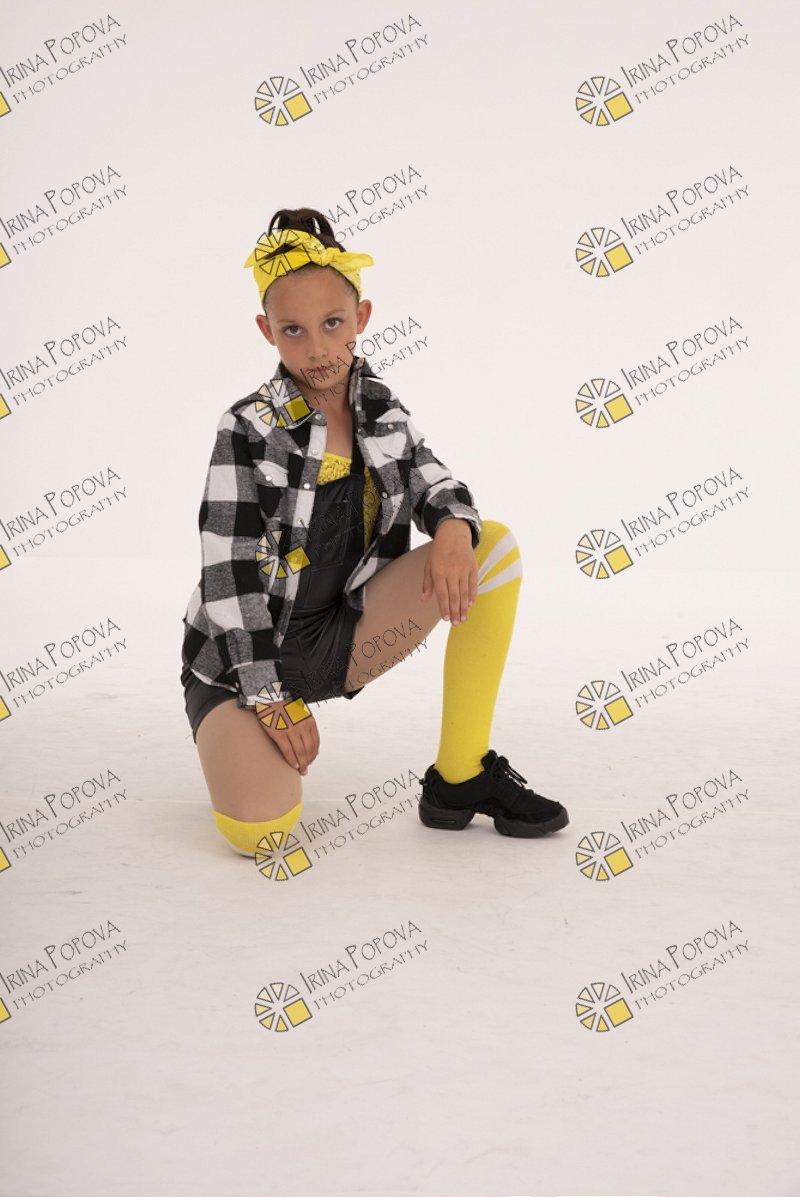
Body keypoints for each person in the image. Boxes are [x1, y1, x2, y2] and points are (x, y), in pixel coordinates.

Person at [180, 207, 569, 857]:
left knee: (491, 547)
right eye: (293, 330)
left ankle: (460, 775)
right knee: (261, 833)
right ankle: (243, 724)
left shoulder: (380, 407)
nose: (317, 349)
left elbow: (432, 480)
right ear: (267, 331)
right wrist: (270, 697)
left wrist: (451, 526)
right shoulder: (245, 427)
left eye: (333, 324)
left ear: (361, 317)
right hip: (242, 661)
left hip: (343, 634)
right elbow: (228, 578)